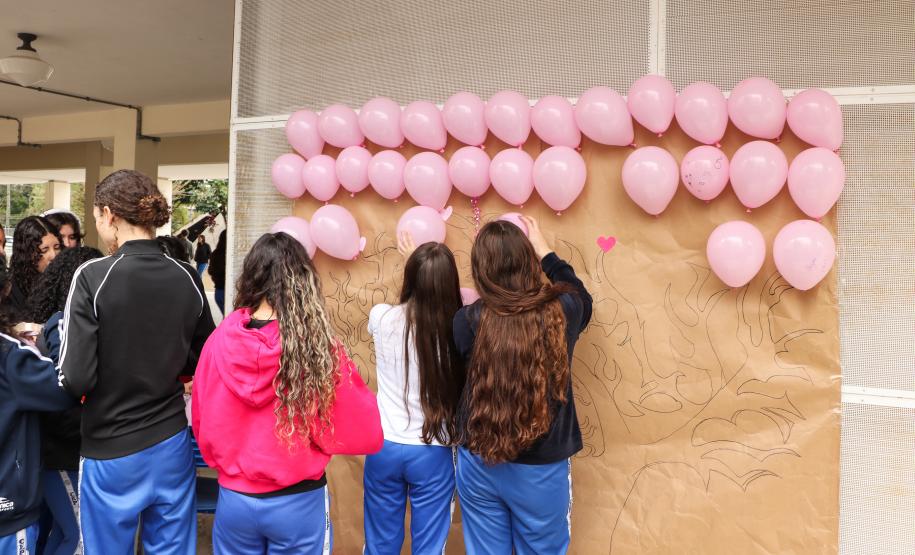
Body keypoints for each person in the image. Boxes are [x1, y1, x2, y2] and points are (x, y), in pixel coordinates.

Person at [192, 232, 383, 554]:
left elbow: (201, 417)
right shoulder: (317, 348)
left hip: (235, 500)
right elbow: (363, 426)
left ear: (251, 276)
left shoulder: (219, 340)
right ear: (302, 280)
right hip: (297, 499)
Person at [57, 169, 215, 554]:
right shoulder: (186, 276)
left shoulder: (92, 276)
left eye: (96, 219)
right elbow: (205, 355)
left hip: (111, 448)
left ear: (109, 214)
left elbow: (74, 377)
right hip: (171, 444)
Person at [452, 216, 592, 555]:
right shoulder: (563, 312)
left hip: (479, 459)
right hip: (540, 471)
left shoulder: (466, 321)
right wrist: (546, 252)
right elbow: (581, 295)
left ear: (480, 270)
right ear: (529, 261)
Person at [363, 233, 464, 555]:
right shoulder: (458, 330)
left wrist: (415, 263)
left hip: (384, 446)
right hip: (432, 450)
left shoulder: (381, 317)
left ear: (410, 277)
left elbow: (408, 307)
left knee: (380, 544)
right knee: (429, 547)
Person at [28, 247, 103, 555]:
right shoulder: (61, 326)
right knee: (80, 538)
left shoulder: (71, 325)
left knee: (63, 534)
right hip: (62, 456)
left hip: (67, 454)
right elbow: (67, 394)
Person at [0, 263, 76, 554]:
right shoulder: (10, 357)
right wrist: (55, 330)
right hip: (7, 512)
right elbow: (65, 386)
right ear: (6, 289)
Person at [5, 216, 61, 317]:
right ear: (27, 253)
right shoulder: (9, 288)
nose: (53, 255)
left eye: (57, 247)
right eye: (44, 250)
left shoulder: (65, 281)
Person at [207, 230, 227, 314]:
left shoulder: (215, 253)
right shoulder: (229, 254)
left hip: (219, 291)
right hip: (227, 292)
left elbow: (211, 271)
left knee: (227, 321)